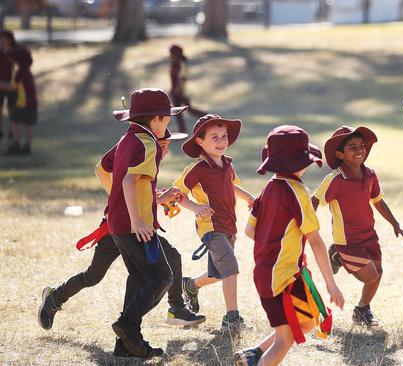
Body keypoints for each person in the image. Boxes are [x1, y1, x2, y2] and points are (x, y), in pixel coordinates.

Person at [37, 129, 206, 354]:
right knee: (94, 275)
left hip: (132, 227)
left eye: (167, 145)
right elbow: (104, 171)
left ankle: (151, 324)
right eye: (162, 144)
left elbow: (136, 187)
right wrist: (121, 200)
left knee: (155, 266)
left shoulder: (142, 149)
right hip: (121, 227)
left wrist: (158, 198)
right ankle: (55, 297)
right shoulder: (140, 146)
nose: (164, 150)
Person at [233, 125, 344, 366]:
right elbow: (315, 240)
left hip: (266, 274)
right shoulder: (298, 192)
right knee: (285, 339)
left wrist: (275, 241)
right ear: (300, 162)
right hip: (283, 277)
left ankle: (254, 354)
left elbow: (250, 230)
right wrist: (331, 283)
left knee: (304, 320)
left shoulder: (267, 190)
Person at [107, 88, 188, 358]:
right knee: (163, 276)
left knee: (140, 277)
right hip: (136, 227)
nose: (167, 124)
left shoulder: (128, 139)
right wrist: (139, 221)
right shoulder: (148, 143)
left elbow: (127, 179)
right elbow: (130, 181)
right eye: (166, 119)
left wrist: (155, 199)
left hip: (119, 224)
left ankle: (126, 346)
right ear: (155, 120)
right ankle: (127, 326)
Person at [312, 125, 403, 327]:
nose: (359, 150)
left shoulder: (370, 175)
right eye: (352, 147)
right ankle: (338, 256)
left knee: (379, 273)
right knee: (370, 275)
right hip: (347, 241)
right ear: (340, 154)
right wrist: (304, 228)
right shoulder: (335, 180)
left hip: (369, 235)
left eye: (361, 145)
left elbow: (378, 201)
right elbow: (314, 201)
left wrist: (395, 223)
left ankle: (362, 309)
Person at [172, 114, 255, 330]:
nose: (221, 142)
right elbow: (176, 194)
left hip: (229, 226)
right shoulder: (197, 169)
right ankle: (232, 318)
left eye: (224, 136)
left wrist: (250, 198)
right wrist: (195, 208)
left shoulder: (228, 164)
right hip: (210, 227)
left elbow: (231, 186)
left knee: (218, 272)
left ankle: (190, 285)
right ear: (200, 141)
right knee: (230, 266)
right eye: (214, 137)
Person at [4, 47, 36, 155]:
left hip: (23, 103)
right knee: (28, 124)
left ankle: (16, 143)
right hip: (32, 102)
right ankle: (28, 146)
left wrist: (2, 85)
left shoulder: (20, 73)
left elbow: (13, 87)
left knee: (14, 121)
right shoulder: (28, 72)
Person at [169, 44, 207, 133]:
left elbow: (182, 78)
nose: (169, 54)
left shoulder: (182, 64)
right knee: (178, 113)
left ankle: (208, 116)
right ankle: (182, 131)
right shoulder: (174, 63)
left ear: (176, 54)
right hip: (176, 91)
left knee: (189, 110)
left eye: (171, 53)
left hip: (181, 92)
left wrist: (179, 89)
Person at [0, 30, 17, 140]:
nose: (2, 41)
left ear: (10, 40)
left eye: (4, 39)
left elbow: (18, 69)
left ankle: (12, 129)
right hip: (0, 84)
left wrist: (12, 84)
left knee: (11, 108)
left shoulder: (15, 53)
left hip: (11, 85)